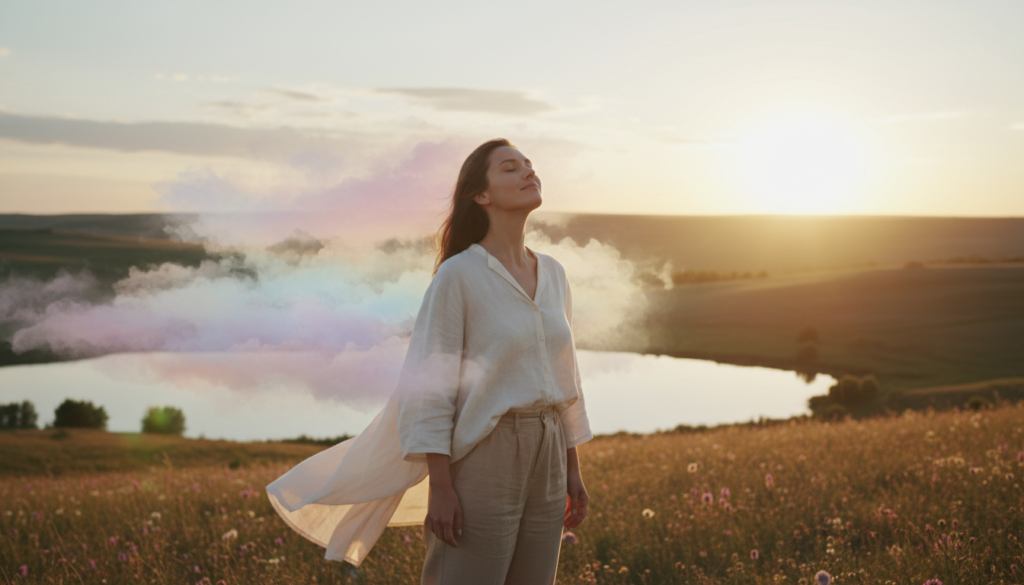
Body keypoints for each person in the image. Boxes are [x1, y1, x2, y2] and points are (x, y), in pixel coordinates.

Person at [266, 138, 592, 585]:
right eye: (510, 168)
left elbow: (565, 376)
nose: (528, 172)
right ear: (481, 195)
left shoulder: (554, 273)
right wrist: (441, 486)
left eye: (529, 164)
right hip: (487, 451)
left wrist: (572, 467)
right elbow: (430, 387)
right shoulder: (459, 275)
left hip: (550, 448)